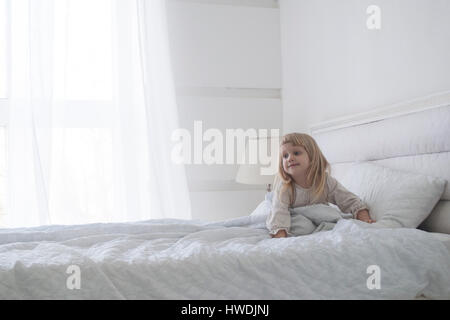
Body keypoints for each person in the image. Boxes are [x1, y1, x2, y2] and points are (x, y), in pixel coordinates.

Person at [267, 132, 375, 238]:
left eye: (296, 153)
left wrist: (364, 218)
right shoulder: (285, 187)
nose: (289, 158)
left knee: (335, 218)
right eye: (285, 156)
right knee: (304, 227)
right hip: (292, 214)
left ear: (312, 157)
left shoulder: (324, 181)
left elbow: (347, 199)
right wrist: (279, 236)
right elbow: (279, 211)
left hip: (316, 215)